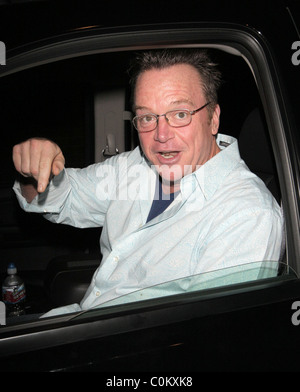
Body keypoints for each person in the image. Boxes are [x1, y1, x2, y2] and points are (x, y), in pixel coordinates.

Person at [12, 49, 284, 317]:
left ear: (213, 119)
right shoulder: (134, 166)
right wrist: (34, 172)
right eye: (146, 117)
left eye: (179, 114)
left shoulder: (247, 216)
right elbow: (63, 198)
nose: (161, 135)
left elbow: (209, 339)